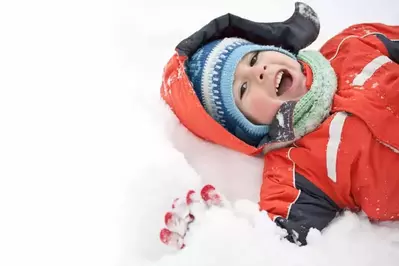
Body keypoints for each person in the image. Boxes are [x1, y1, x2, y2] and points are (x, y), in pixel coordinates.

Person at [158, 2, 399, 248]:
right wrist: (221, 238)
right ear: (247, 127)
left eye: (253, 59)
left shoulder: (352, 45)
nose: (258, 72)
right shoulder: (294, 170)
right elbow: (279, 244)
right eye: (243, 88)